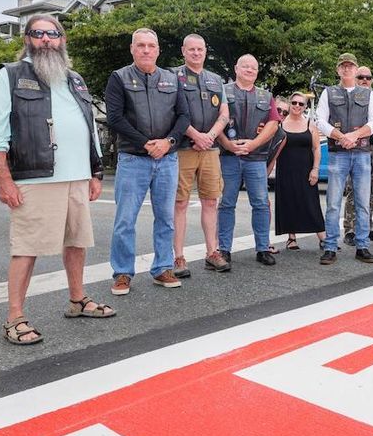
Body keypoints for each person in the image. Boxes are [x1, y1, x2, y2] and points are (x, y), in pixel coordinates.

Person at [0, 14, 113, 345]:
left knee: (76, 241)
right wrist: (5, 181)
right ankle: (14, 317)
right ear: (27, 39)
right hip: (35, 177)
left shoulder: (75, 79)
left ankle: (77, 299)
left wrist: (95, 172)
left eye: (52, 34)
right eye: (38, 33)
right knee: (27, 247)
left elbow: (90, 128)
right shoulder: (10, 76)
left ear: (62, 40)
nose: (46, 39)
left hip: (77, 177)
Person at [106, 28, 191, 296]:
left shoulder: (172, 79)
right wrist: (146, 143)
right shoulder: (119, 77)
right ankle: (122, 272)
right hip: (133, 158)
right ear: (132, 49)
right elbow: (115, 118)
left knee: (166, 218)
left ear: (158, 50)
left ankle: (162, 268)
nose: (145, 50)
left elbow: (184, 116)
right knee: (125, 220)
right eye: (140, 45)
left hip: (167, 159)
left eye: (150, 45)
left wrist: (169, 143)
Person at [171, 34, 231, 277]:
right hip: (184, 148)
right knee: (180, 203)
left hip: (210, 150)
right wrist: (196, 136)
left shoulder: (216, 80)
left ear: (206, 51)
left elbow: (224, 113)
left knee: (210, 201)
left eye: (200, 49)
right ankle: (178, 257)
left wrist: (210, 136)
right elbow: (172, 112)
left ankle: (212, 253)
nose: (196, 53)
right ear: (183, 51)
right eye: (191, 49)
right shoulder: (172, 77)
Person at [316, 53, 373, 265]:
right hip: (337, 153)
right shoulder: (328, 92)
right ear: (338, 70)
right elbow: (320, 121)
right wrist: (340, 137)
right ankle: (330, 246)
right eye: (343, 66)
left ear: (356, 69)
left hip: (361, 153)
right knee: (333, 202)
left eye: (350, 66)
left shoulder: (367, 94)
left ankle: (362, 246)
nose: (346, 70)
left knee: (362, 203)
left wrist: (353, 136)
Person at [216, 54, 281, 267]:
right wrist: (226, 144)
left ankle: (263, 248)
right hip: (229, 157)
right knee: (226, 204)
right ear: (236, 68)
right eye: (245, 66)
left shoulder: (265, 96)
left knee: (261, 204)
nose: (249, 70)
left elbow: (273, 124)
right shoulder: (222, 91)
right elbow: (214, 121)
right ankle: (223, 249)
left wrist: (253, 144)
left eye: (253, 67)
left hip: (256, 158)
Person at [272, 92, 325, 249]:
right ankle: (291, 237)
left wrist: (315, 169)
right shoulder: (280, 124)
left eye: (301, 104)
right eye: (294, 103)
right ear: (290, 104)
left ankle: (322, 236)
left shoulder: (310, 124)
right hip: (285, 170)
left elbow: (316, 148)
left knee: (311, 203)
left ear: (305, 107)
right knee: (288, 201)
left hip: (306, 169)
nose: (297, 106)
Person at [342, 66, 373, 245]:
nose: (365, 80)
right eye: (361, 77)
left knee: (372, 191)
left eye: (368, 77)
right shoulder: (347, 98)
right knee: (354, 191)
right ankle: (350, 230)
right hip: (356, 149)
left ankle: (366, 226)